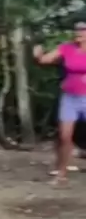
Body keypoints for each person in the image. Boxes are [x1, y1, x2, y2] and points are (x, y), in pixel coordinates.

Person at [33, 20, 86, 182]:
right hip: (70, 97)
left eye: (83, 30)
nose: (78, 32)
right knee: (64, 136)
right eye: (77, 29)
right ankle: (61, 173)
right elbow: (44, 60)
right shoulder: (66, 48)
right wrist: (38, 55)